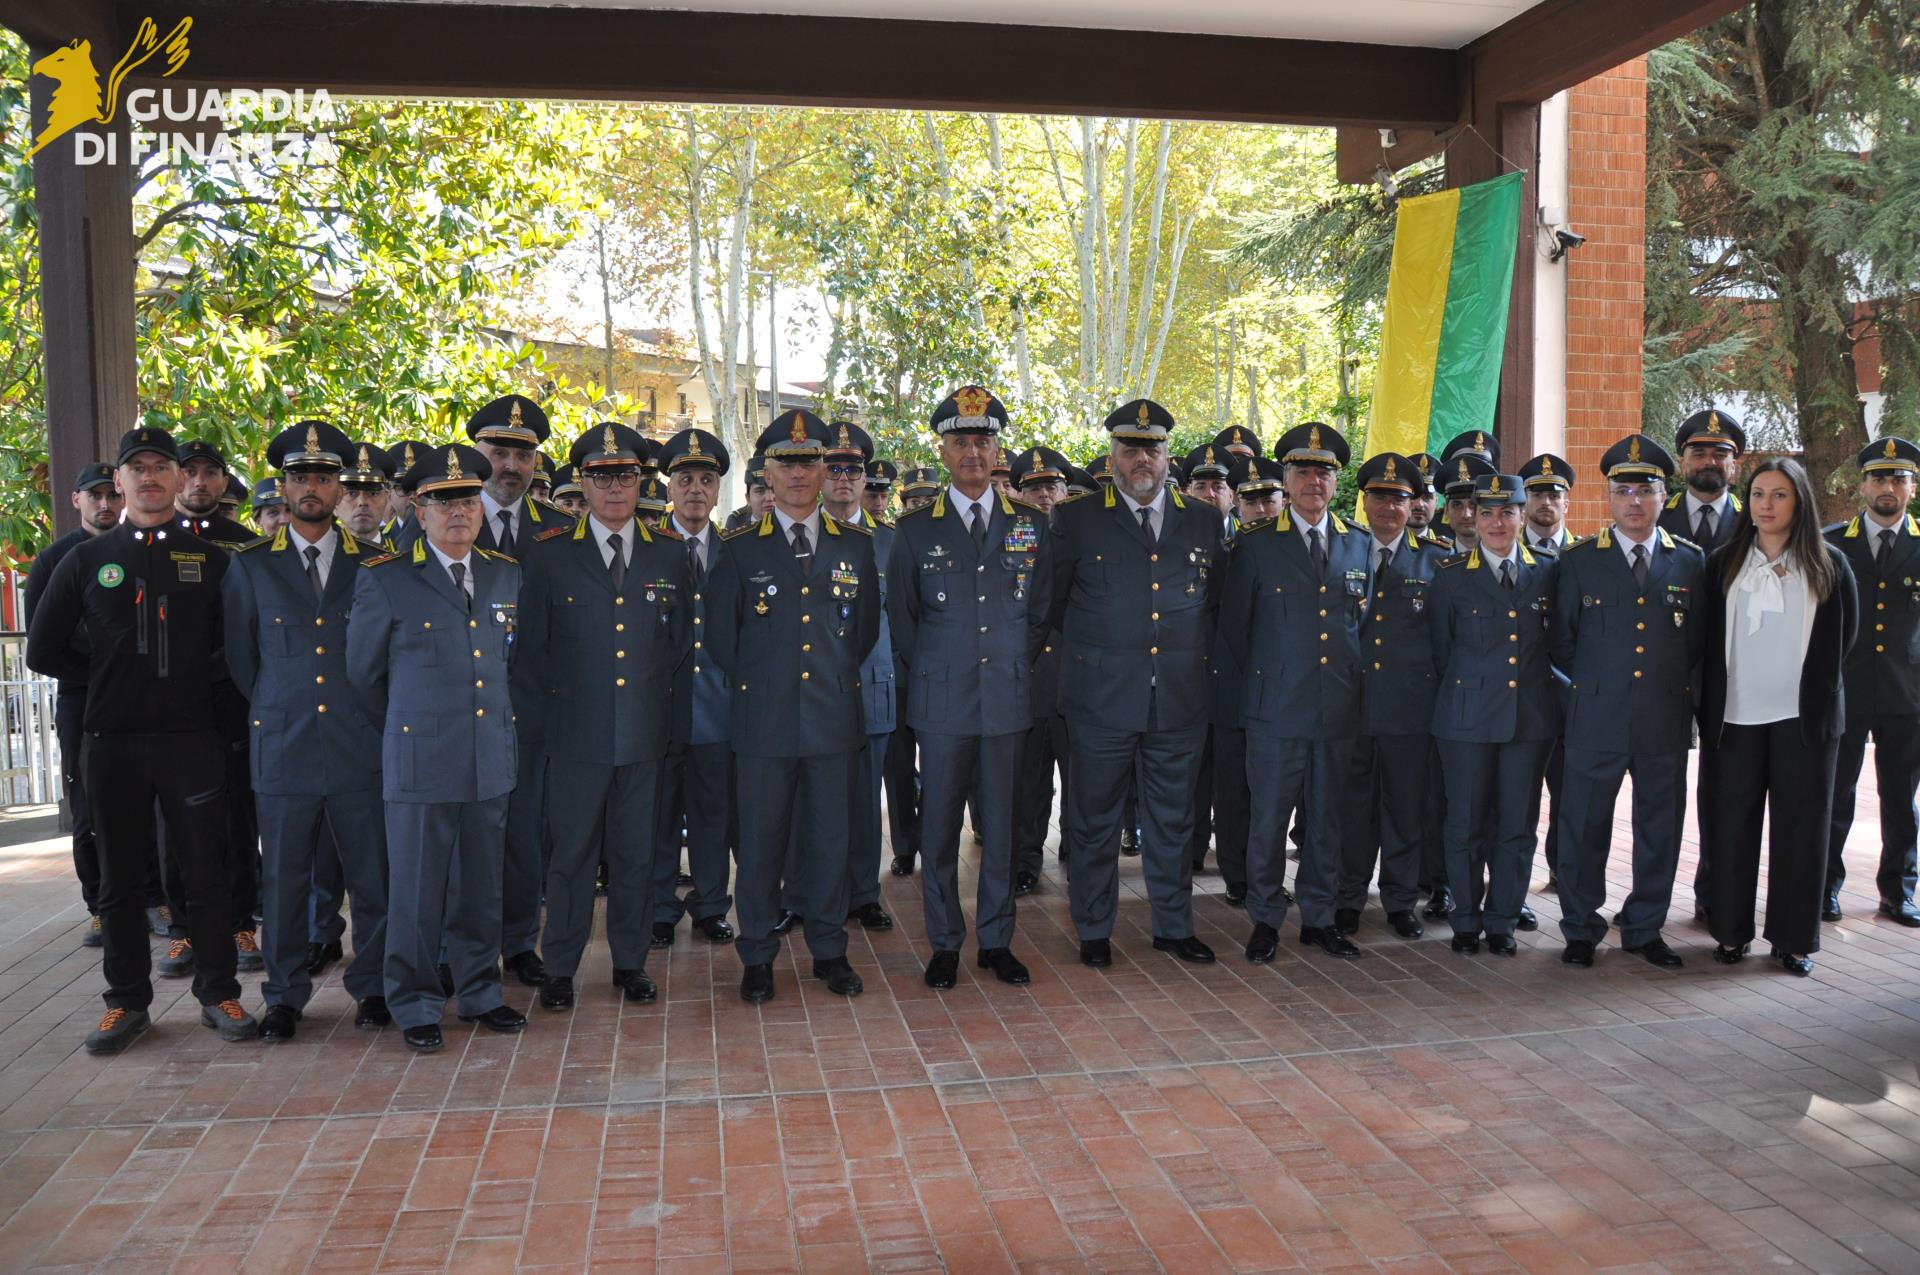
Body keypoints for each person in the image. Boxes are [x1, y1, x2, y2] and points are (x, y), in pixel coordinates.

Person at [27, 427, 255, 1054]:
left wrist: (190, 684)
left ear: (180, 480)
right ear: (119, 481)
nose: (150, 477)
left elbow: (236, 649)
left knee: (208, 873)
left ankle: (218, 993)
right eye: (138, 468)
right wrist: (108, 677)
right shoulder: (80, 561)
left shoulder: (215, 561)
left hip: (191, 740)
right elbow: (44, 649)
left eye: (162, 467)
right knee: (121, 881)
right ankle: (126, 1002)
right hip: (112, 742)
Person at [346, 443, 526, 1052]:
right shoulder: (387, 580)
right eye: (441, 502)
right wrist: (408, 733)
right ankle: (416, 1001)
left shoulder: (505, 572)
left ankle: (479, 991)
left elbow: (509, 662)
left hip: (488, 760)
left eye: (467, 500)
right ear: (417, 512)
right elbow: (365, 680)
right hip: (421, 763)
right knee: (417, 894)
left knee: (482, 889)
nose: (458, 511)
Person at [223, 421, 391, 1040]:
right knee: (285, 881)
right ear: (283, 488)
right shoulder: (249, 568)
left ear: (340, 488)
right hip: (285, 748)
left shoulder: (374, 562)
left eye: (323, 477)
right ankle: (286, 995)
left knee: (374, 879)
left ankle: (373, 987)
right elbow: (243, 663)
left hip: (361, 745)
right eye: (300, 478)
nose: (312, 487)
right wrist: (282, 707)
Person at [707, 409, 881, 1004]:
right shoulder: (736, 550)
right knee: (760, 845)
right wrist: (771, 685)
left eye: (811, 462)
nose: (801, 474)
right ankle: (757, 954)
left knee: (830, 841)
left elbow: (860, 635)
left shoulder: (856, 547)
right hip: (763, 724)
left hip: (833, 722)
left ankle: (829, 950)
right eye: (787, 462)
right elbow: (722, 641)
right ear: (768, 471)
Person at [518, 424, 692, 1011]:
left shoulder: (670, 552)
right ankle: (561, 967)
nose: (614, 487)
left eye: (625, 476)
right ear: (581, 483)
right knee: (570, 857)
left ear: (642, 481)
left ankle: (630, 962)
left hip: (644, 733)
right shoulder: (548, 554)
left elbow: (680, 647)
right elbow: (531, 653)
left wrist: (664, 723)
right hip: (574, 737)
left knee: (635, 855)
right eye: (600, 476)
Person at [1049, 399, 1225, 968]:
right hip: (1100, 702)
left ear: (1169, 456)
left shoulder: (1201, 519)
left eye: (1152, 448)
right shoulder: (1075, 520)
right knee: (1094, 822)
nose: (1141, 458)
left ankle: (1173, 926)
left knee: (1173, 821)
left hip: (1177, 700)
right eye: (1130, 449)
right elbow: (1052, 606)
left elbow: (1214, 606)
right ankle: (1094, 929)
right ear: (1112, 457)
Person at [889, 388, 1051, 988]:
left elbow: (1039, 614)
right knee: (938, 830)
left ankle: (997, 940)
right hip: (941, 704)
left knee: (1002, 830)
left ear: (996, 448)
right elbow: (905, 622)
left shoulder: (1030, 526)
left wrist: (1004, 662)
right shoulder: (912, 532)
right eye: (962, 441)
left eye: (983, 440)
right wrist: (943, 667)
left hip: (1006, 701)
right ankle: (945, 942)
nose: (973, 451)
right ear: (945, 449)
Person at [1549, 435, 1706, 969]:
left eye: (1646, 490)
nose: (1634, 501)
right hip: (1595, 716)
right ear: (1609, 498)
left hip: (1663, 718)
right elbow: (1561, 641)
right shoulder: (1578, 562)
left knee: (1659, 830)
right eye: (1624, 491)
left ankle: (1644, 927)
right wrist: (1594, 686)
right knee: (1583, 826)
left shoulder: (1690, 562)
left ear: (1665, 496)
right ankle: (1580, 927)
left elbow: (1698, 642)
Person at [1219, 424, 1373, 961]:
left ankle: (1320, 917)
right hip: (1275, 711)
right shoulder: (1257, 545)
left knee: (1326, 820)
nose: (1314, 481)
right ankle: (1264, 918)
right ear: (1285, 479)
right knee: (1268, 821)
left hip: (1336, 710)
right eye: (1303, 471)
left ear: (1337, 482)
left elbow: (1361, 626)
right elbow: (1236, 631)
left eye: (1324, 472)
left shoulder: (1358, 542)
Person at [1701, 458, 1858, 976]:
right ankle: (1729, 933)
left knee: (1801, 832)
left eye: (1780, 495)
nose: (1766, 505)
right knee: (1729, 829)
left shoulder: (1829, 564)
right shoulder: (1723, 563)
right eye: (1759, 494)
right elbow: (1704, 639)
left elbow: (1845, 639)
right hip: (1735, 720)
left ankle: (1793, 939)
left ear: (1800, 502)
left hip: (1804, 723)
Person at [1427, 472, 1562, 957]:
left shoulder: (1548, 569)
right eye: (1486, 513)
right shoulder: (1449, 575)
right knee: (1465, 824)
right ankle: (1465, 919)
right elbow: (1441, 652)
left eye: (1508, 512)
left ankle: (1502, 919)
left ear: (1523, 516)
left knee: (1517, 825)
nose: (1497, 522)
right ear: (1473, 518)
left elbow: (1558, 641)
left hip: (1528, 722)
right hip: (1464, 720)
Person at [25, 462, 156, 950]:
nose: (105, 505)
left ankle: (153, 896)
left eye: (111, 496)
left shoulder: (139, 551)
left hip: (143, 700)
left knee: (148, 800)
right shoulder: (54, 560)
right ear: (75, 500)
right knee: (89, 807)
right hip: (84, 701)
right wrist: (99, 675)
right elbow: (43, 643)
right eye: (94, 496)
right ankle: (100, 905)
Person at [466, 394, 569, 990]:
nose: (509, 465)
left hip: (533, 708)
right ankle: (463, 947)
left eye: (521, 456)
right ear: (478, 454)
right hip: (458, 709)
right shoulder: (442, 514)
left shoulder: (557, 530)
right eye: (498, 451)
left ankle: (517, 942)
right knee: (467, 837)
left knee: (526, 831)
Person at [1339, 452, 1450, 942]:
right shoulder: (1342, 551)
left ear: (1415, 505)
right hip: (1349, 709)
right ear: (1364, 502)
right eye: (1379, 496)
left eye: (1400, 498)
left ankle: (1401, 900)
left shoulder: (1438, 561)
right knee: (1351, 811)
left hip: (1411, 710)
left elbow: (1448, 640)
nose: (1389, 506)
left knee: (1406, 810)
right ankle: (1347, 897)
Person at [1822, 437, 1920, 927]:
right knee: (1836, 793)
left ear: (1912, 488)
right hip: (1847, 688)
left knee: (1901, 798)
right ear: (1863, 486)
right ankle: (1825, 888)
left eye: (1899, 479)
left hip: (1909, 693)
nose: (1889, 488)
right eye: (1879, 478)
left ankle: (1899, 891)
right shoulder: (1833, 543)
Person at [809, 421, 899, 935]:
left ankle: (864, 893)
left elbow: (909, 617)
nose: (844, 478)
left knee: (866, 801)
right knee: (811, 798)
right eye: (835, 468)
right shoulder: (800, 532)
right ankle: (807, 893)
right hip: (814, 689)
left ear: (865, 480)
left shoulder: (892, 539)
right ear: (821, 475)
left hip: (873, 688)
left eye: (854, 470)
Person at [652, 428, 738, 948]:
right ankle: (661, 907)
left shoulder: (735, 553)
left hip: (717, 709)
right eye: (685, 479)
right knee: (659, 815)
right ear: (670, 488)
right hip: (660, 711)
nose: (696, 490)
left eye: (706, 480)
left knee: (713, 815)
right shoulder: (647, 550)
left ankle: (710, 905)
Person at [1009, 445, 1073, 894]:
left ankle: (1077, 849)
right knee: (1028, 783)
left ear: (1065, 489)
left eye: (1051, 486)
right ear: (1020, 494)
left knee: (1083, 781)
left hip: (1075, 683)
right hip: (1026, 680)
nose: (1045, 495)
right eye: (1034, 488)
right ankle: (1027, 861)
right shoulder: (1010, 536)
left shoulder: (1083, 535)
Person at [1518, 452, 1576, 890]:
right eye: (1537, 493)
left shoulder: (1587, 556)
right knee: (1516, 798)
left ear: (1567, 503)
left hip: (1570, 699)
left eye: (1554, 494)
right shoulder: (1506, 551)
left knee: (1569, 792)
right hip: (1518, 696)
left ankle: (1562, 871)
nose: (1546, 501)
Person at [1659, 408, 1746, 552]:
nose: (1710, 462)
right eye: (1699, 454)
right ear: (1683, 465)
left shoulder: (1751, 520)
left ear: (1733, 467)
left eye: (1720, 455)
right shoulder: (1657, 516)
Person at [177, 440, 256, 544]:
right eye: (190, 472)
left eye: (210, 473)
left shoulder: (248, 543)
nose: (200, 483)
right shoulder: (150, 535)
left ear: (224, 483)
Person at [339, 442, 397, 550]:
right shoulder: (319, 557)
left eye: (373, 493)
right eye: (351, 493)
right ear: (335, 503)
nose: (362, 502)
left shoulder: (402, 558)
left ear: (387, 499)